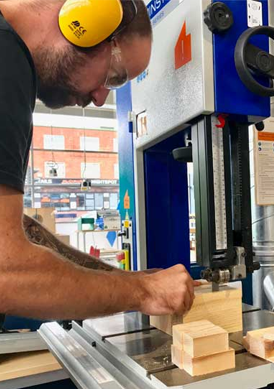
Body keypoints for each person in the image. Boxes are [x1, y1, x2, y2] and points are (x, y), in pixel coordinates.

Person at [0, 0, 198, 323]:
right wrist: (142, 292)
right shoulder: (6, 60)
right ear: (87, 20)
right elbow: (5, 270)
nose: (100, 97)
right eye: (115, 76)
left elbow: (19, 231)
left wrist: (132, 281)